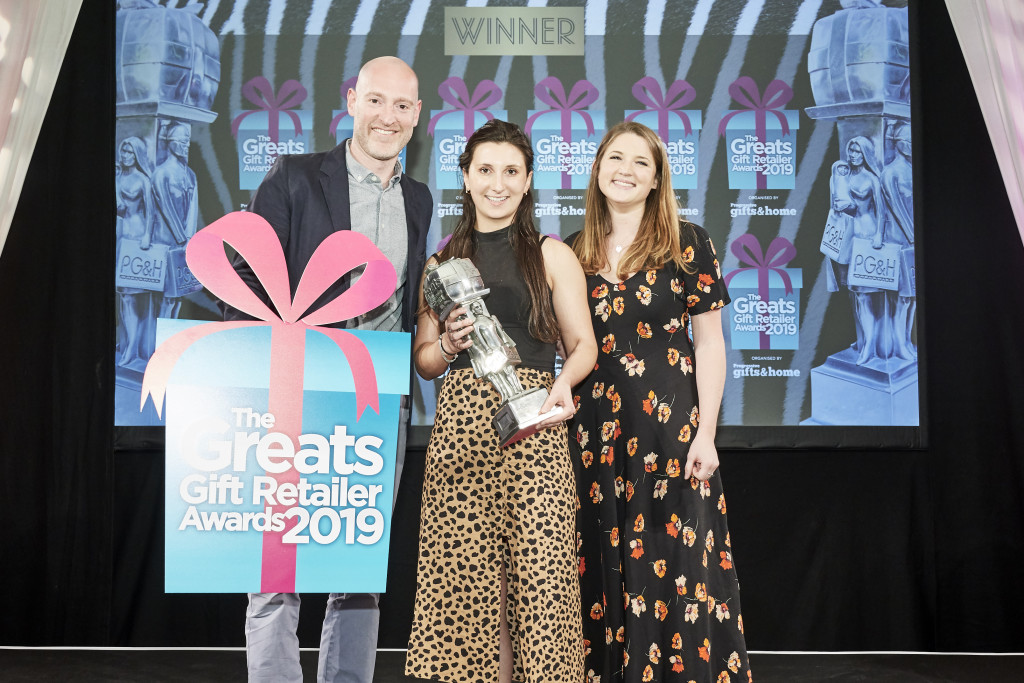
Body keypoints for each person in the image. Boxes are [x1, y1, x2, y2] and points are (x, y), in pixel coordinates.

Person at [224, 56, 432, 683]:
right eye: (376, 101)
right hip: (296, 395)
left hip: (379, 402)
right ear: (351, 101)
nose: (387, 117)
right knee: (276, 568)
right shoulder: (293, 178)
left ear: (417, 117)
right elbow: (241, 273)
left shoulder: (418, 199)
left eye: (402, 106)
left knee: (358, 572)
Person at [405, 118, 596, 682]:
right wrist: (446, 341)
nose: (498, 183)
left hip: (534, 422)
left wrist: (562, 385)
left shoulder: (551, 254)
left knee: (541, 578)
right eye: (485, 169)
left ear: (529, 179)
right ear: (464, 177)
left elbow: (581, 345)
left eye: (511, 171)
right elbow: (423, 361)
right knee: (467, 584)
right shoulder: (440, 264)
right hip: (461, 431)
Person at [568, 121, 751, 682]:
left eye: (640, 163)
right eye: (615, 158)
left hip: (671, 436)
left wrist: (707, 433)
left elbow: (711, 342)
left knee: (678, 569)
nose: (625, 170)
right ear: (597, 170)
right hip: (593, 438)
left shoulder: (688, 242)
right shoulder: (572, 252)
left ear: (656, 179)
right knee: (602, 564)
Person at [826, 136, 886, 365]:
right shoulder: (842, 174)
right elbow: (835, 202)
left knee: (864, 293)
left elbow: (881, 211)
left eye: (857, 152)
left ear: (865, 155)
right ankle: (863, 340)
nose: (852, 155)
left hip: (866, 235)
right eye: (850, 151)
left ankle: (870, 346)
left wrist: (879, 235)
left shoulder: (871, 179)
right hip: (845, 237)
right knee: (852, 293)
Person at [115, 136, 156, 366]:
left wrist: (147, 236)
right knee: (122, 296)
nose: (125, 155)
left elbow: (151, 212)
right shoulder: (117, 176)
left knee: (132, 296)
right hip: (119, 237)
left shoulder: (142, 180)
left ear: (137, 155)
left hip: (136, 237)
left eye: (130, 152)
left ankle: (132, 347)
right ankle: (125, 341)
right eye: (123, 151)